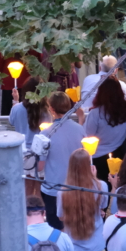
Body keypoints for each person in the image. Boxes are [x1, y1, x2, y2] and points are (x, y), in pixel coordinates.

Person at [39, 92, 87, 230]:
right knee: (75, 228)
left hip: (53, 189)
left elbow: (40, 166)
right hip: (75, 188)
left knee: (55, 230)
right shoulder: (79, 129)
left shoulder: (45, 134)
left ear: (52, 109)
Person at [8, 78, 52, 197]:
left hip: (23, 154)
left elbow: (12, 121)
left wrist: (15, 101)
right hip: (40, 154)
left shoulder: (16, 108)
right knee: (39, 190)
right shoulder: (45, 112)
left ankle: (26, 215)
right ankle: (40, 214)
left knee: (26, 190)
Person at [84, 77, 126, 183]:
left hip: (98, 158)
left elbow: (87, 136)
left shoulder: (95, 113)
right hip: (120, 155)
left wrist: (82, 119)